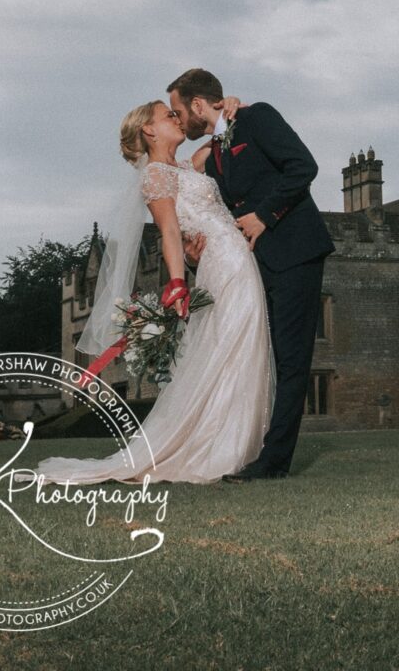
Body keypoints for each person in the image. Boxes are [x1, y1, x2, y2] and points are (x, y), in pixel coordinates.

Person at [35, 102, 273, 485]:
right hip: (224, 263)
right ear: (149, 131)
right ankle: (223, 451)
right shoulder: (156, 175)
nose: (177, 118)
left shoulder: (186, 166)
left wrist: (232, 107)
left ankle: (237, 447)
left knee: (238, 346)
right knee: (231, 345)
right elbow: (170, 231)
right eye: (168, 115)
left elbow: (224, 134)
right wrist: (178, 282)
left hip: (235, 257)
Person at [167, 68, 334, 481]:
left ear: (198, 105)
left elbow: (303, 167)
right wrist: (194, 258)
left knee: (292, 360)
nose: (178, 120)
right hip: (254, 266)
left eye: (178, 111)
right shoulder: (214, 152)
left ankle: (273, 462)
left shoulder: (257, 117)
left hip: (295, 251)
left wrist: (264, 215)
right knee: (263, 357)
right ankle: (243, 446)